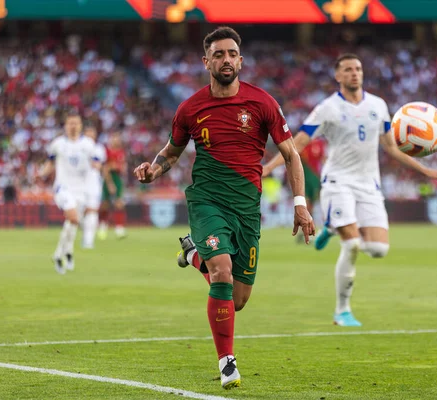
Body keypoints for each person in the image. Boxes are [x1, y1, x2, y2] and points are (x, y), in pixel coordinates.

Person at [134, 27, 315, 390]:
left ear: (241, 60)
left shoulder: (262, 103)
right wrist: (153, 170)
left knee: (238, 299)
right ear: (206, 62)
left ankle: (193, 252)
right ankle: (227, 362)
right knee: (222, 272)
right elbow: (170, 152)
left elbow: (291, 154)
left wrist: (300, 204)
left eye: (232, 53)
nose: (226, 59)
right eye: (218, 54)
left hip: (247, 208)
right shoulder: (190, 108)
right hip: (207, 202)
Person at [263, 53, 437, 327]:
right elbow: (297, 143)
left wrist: (425, 170)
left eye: (358, 69)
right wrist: (267, 168)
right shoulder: (328, 108)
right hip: (338, 183)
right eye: (348, 69)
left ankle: (330, 227)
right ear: (338, 76)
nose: (354, 73)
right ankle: (342, 311)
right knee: (351, 244)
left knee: (377, 249)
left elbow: (390, 146)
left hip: (368, 185)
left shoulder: (378, 105)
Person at [40, 111, 100, 274]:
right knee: (73, 217)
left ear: (80, 126)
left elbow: (96, 162)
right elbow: (50, 163)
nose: (73, 126)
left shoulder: (88, 144)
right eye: (70, 123)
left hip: (81, 191)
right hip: (63, 188)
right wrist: (42, 173)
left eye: (76, 123)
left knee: (72, 224)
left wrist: (96, 166)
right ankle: (65, 253)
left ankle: (61, 254)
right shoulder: (58, 144)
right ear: (66, 126)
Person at [97, 131, 127, 239]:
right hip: (108, 178)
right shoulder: (107, 151)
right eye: (114, 138)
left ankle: (119, 229)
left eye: (118, 138)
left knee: (119, 203)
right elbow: (105, 168)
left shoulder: (121, 152)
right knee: (105, 204)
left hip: (118, 178)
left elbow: (122, 167)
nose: (116, 140)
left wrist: (117, 167)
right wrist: (109, 183)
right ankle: (102, 227)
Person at [82, 125, 106, 249]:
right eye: (88, 133)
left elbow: (98, 166)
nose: (90, 136)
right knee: (79, 211)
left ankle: (88, 240)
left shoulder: (98, 149)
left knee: (92, 210)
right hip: (78, 183)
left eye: (92, 133)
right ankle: (85, 234)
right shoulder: (77, 147)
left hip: (93, 183)